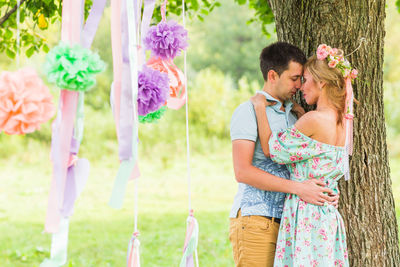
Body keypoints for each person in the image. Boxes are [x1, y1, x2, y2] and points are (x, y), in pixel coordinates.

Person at [229, 42, 339, 267]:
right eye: (294, 78)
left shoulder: (296, 116)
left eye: (302, 79)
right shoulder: (248, 111)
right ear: (272, 75)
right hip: (258, 221)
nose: (299, 85)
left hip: (293, 225)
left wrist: (326, 191)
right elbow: (242, 172)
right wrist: (300, 189)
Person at [251, 44, 356, 266]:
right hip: (327, 216)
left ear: (322, 82)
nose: (301, 87)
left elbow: (273, 149)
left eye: (306, 80)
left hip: (306, 213)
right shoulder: (344, 123)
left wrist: (260, 107)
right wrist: (300, 111)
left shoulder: (314, 120)